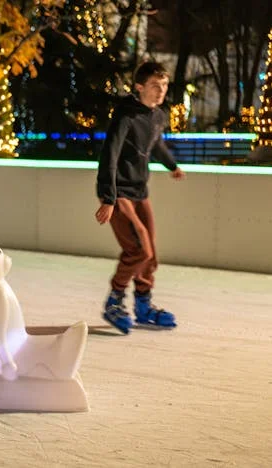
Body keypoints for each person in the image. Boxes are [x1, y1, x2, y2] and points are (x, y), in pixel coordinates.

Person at [95, 61, 185, 335]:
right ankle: (114, 301)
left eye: (164, 86)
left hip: (140, 192)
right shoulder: (125, 115)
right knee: (139, 249)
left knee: (151, 254)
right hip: (120, 193)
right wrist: (108, 199)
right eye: (155, 86)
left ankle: (143, 306)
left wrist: (172, 166)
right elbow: (109, 155)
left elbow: (154, 144)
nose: (161, 91)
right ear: (139, 87)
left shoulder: (157, 116)